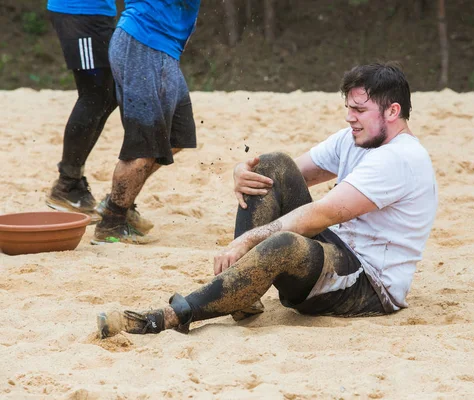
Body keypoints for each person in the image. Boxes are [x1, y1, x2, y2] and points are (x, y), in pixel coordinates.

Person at [97, 62, 438, 338]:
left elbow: (321, 214)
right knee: (271, 165)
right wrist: (240, 171)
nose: (350, 117)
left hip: (368, 287)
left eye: (360, 110)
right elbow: (286, 173)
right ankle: (244, 297)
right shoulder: (355, 138)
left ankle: (168, 317)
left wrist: (247, 240)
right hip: (338, 252)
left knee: (283, 243)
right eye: (348, 108)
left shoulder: (401, 159)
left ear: (392, 112)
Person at [91, 0, 202, 245]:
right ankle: (112, 223)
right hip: (143, 44)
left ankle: (116, 202)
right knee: (143, 147)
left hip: (162, 49)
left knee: (177, 137)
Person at [45, 0, 118, 220]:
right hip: (81, 12)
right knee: (94, 94)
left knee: (110, 95)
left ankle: (71, 181)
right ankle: (67, 184)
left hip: (96, 13)